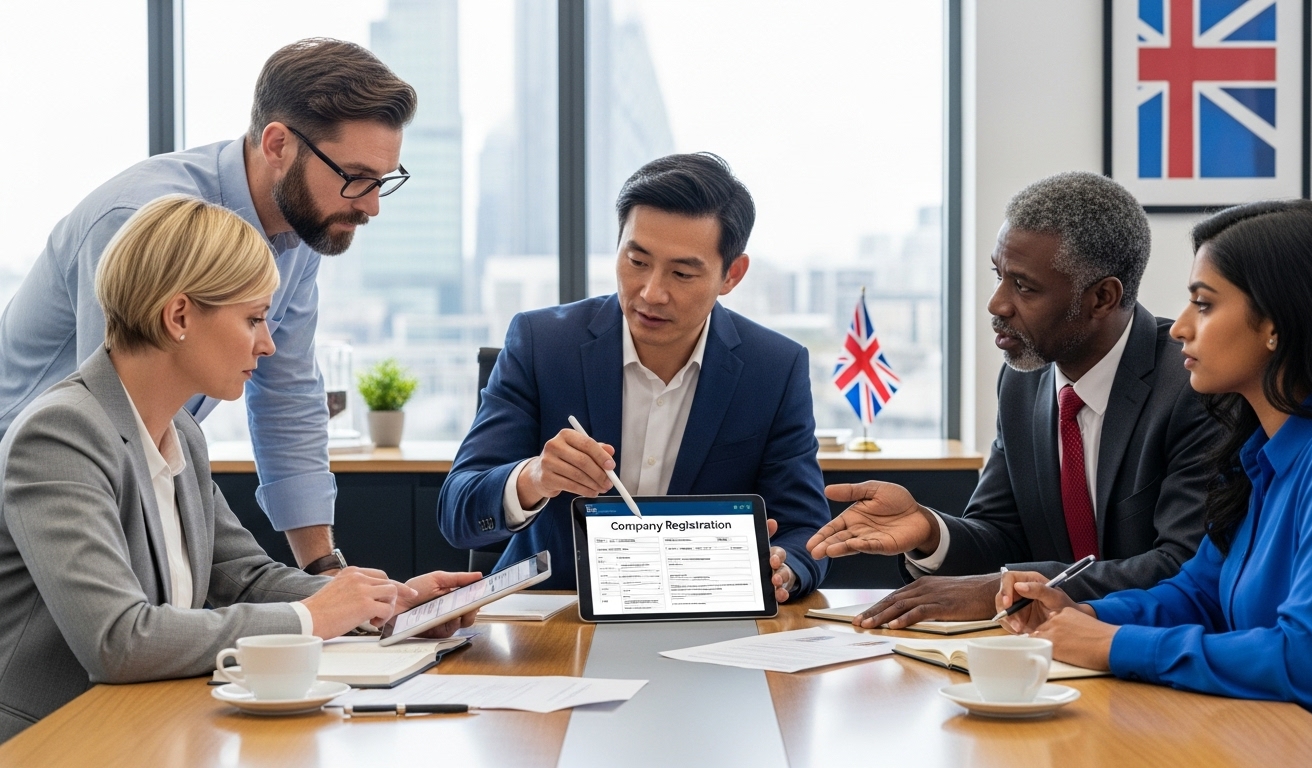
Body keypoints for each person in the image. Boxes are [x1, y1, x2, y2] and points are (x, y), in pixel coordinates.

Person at [0, 196, 479, 744]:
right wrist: (314, 618)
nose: (269, 343)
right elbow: (119, 639)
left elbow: (245, 578)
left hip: (153, 728)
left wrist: (379, 604)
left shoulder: (180, 432)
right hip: (56, 741)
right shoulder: (60, 434)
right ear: (178, 316)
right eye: (253, 319)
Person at [997, 200, 1312, 765]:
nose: (1181, 327)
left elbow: (1308, 662)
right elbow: (1200, 593)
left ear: (1275, 327)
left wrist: (1116, 647)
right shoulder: (1259, 447)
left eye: (1204, 304)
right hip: (1264, 731)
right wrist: (1087, 615)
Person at [0, 38, 417, 573]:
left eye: (383, 181)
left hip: (126, 481)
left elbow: (286, 393)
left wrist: (325, 574)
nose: (371, 205)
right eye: (355, 178)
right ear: (277, 144)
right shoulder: (142, 220)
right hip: (36, 495)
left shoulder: (299, 228)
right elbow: (114, 416)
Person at [806, 171, 1219, 626]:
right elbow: (1001, 534)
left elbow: (1182, 565)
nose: (997, 304)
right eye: (998, 276)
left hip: (1150, 653)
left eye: (1023, 287)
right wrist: (928, 530)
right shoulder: (1023, 383)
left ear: (1102, 298)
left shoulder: (1192, 385)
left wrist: (1010, 590)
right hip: (1049, 658)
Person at [438, 153, 830, 600]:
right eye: (637, 261)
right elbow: (458, 512)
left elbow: (804, 530)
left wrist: (783, 569)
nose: (651, 292)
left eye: (682, 273)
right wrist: (535, 478)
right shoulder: (542, 344)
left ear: (731, 275)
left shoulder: (774, 368)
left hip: (707, 619)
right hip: (554, 617)